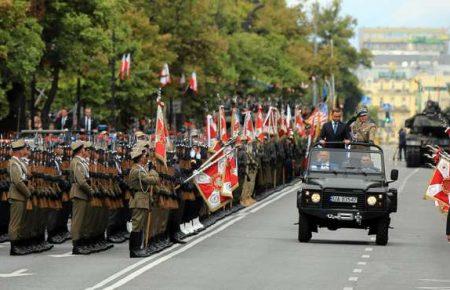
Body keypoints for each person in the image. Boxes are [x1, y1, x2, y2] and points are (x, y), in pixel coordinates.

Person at [128, 147, 160, 258]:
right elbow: (153, 180)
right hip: (138, 200)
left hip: (142, 199)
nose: (147, 158)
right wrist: (153, 170)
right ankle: (134, 250)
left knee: (140, 225)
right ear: (140, 158)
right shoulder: (137, 170)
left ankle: (138, 248)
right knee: (137, 225)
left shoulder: (141, 169)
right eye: (145, 157)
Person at [70, 140, 95, 255]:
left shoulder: (82, 162)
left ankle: (82, 243)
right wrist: (90, 190)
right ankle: (76, 245)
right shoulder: (76, 162)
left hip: (83, 193)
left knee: (84, 220)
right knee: (78, 221)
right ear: (80, 150)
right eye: (85, 149)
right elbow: (81, 181)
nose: (86, 151)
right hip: (79, 193)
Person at [8, 140, 33, 255]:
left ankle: (19, 244)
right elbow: (18, 182)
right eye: (23, 149)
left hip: (21, 196)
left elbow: (26, 176)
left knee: (21, 222)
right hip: (17, 195)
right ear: (18, 151)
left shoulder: (20, 162)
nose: (25, 150)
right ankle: (14, 247)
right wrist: (28, 193)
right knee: (15, 222)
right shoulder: (14, 163)